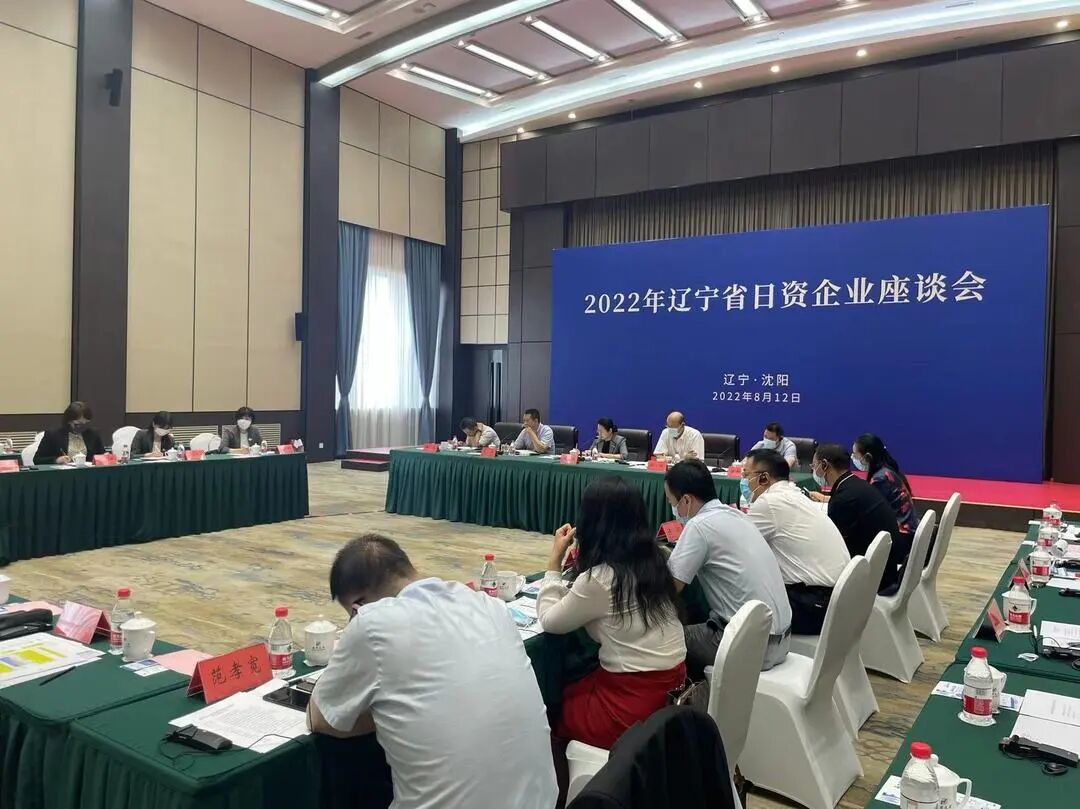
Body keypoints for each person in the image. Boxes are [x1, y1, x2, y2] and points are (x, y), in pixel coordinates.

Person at [308, 534, 558, 809]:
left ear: (360, 605)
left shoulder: (371, 624)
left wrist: (387, 713)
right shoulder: (490, 606)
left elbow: (321, 717)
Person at [538, 477, 686, 749]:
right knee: (577, 682)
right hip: (671, 685)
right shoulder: (657, 558)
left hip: (631, 703)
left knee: (552, 705)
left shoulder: (601, 578)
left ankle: (562, 773)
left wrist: (554, 562)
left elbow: (549, 621)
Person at [664, 459, 791, 676]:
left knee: (659, 640)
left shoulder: (699, 525)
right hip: (782, 640)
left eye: (671, 501)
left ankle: (693, 694)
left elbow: (669, 588)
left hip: (749, 647)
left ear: (686, 500)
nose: (673, 508)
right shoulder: (737, 515)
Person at [743, 449, 850, 634]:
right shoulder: (796, 495)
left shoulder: (770, 502)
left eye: (746, 475)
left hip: (814, 606)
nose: (744, 481)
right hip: (838, 600)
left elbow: (738, 546)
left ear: (764, 478)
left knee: (738, 596)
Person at [812, 443, 908, 593]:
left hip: (874, 580)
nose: (813, 470)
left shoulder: (843, 499)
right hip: (886, 568)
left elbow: (835, 548)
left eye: (814, 466)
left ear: (824, 465)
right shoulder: (856, 485)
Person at [853, 434, 918, 535]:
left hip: (901, 535)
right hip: (906, 530)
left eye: (855, 454)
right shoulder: (888, 471)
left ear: (867, 457)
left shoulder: (880, 479)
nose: (853, 457)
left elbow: (871, 513)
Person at [34, 401, 106, 464]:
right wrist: (56, 460)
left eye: (85, 424)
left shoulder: (93, 434)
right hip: (63, 473)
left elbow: (102, 456)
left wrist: (105, 457)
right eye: (78, 424)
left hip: (88, 473)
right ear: (68, 421)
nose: (82, 428)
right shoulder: (53, 435)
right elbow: (37, 460)